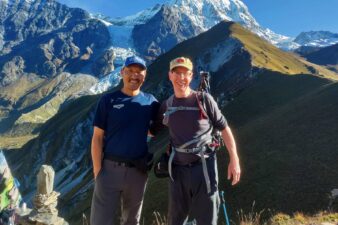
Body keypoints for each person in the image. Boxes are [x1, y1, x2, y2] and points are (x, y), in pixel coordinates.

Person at [159, 57, 241, 225]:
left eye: (185, 73)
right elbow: (151, 130)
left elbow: (225, 128)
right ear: (170, 75)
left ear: (191, 76)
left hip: (204, 168)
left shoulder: (204, 100)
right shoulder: (166, 105)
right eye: (177, 73)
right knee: (175, 220)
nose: (181, 78)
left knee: (207, 219)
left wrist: (235, 160)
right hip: (177, 171)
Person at [90, 55, 159, 225]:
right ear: (122, 72)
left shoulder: (151, 102)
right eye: (130, 71)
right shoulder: (108, 100)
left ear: (145, 75)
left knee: (131, 221)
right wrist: (98, 172)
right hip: (109, 169)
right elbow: (97, 137)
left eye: (139, 72)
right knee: (100, 221)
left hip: (138, 172)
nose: (134, 76)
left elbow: (158, 129)